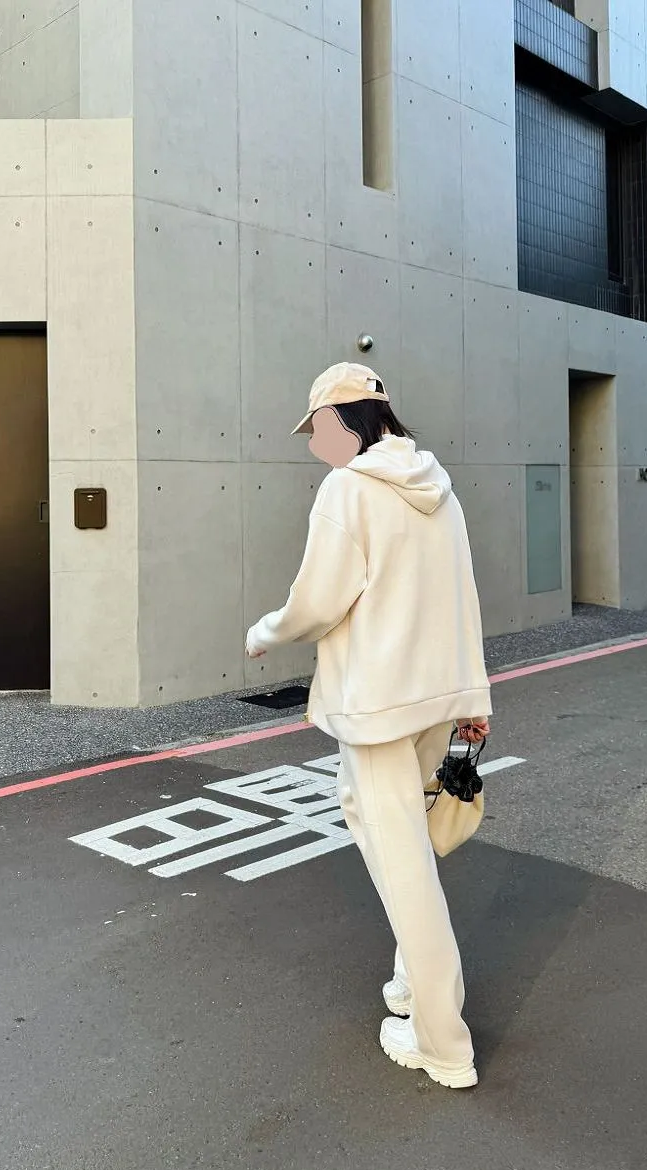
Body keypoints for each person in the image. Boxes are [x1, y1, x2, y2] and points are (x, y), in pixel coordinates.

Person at [245, 362, 492, 1089]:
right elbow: (463, 594)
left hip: (380, 705)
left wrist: (265, 631)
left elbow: (317, 601)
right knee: (401, 839)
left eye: (318, 427)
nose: (314, 443)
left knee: (402, 863)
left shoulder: (347, 491)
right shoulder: (438, 487)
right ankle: (413, 985)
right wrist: (474, 695)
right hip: (435, 697)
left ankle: (442, 1044)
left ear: (347, 419)